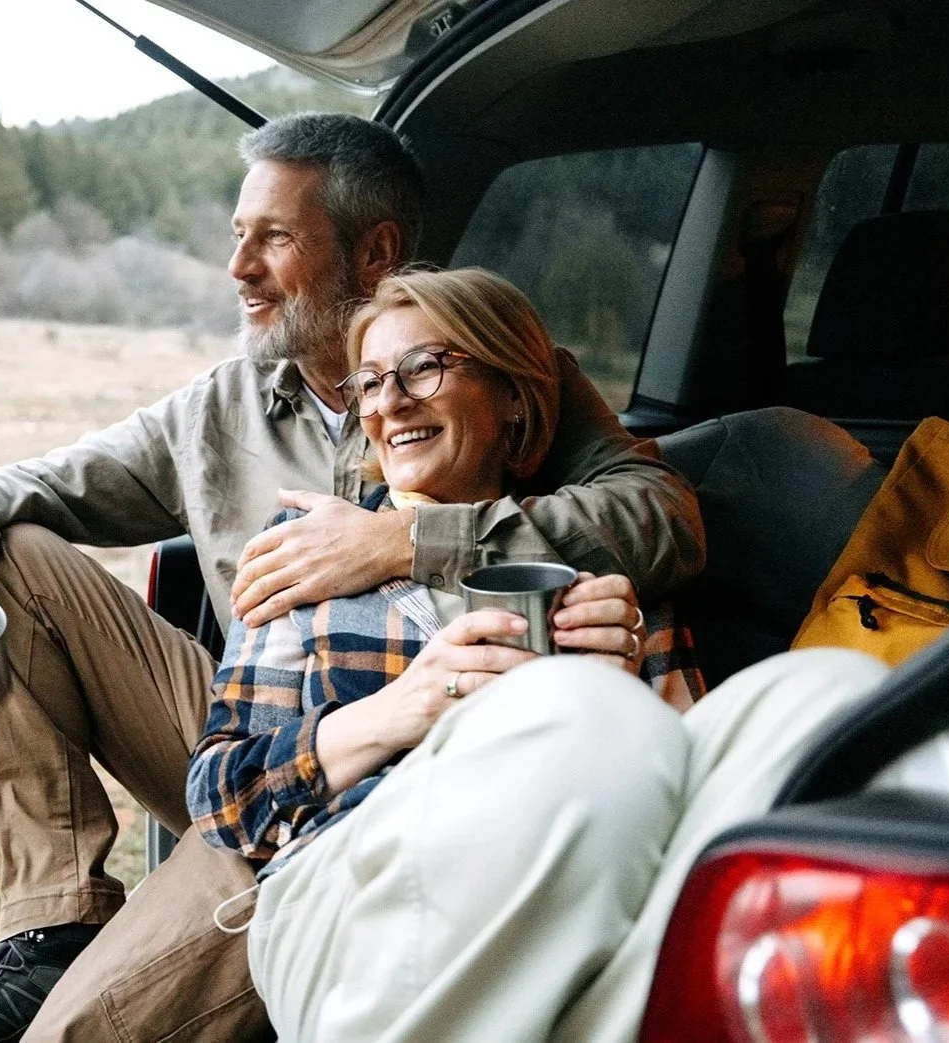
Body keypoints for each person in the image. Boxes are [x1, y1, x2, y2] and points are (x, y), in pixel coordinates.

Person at [0, 113, 706, 1043]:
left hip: (430, 784)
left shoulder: (499, 377)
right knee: (13, 552)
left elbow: (657, 517)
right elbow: (26, 487)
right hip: (253, 743)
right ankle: (53, 924)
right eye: (236, 236)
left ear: (373, 251)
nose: (238, 269)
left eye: (275, 238)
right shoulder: (217, 411)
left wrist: (402, 544)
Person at [187, 267, 888, 1042]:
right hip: (355, 907)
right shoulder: (309, 556)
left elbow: (702, 793)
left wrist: (633, 697)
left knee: (823, 693)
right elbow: (222, 797)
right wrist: (398, 710)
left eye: (424, 367)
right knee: (578, 708)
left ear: (513, 398)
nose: (390, 401)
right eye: (371, 382)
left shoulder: (595, 561)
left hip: (605, 909)